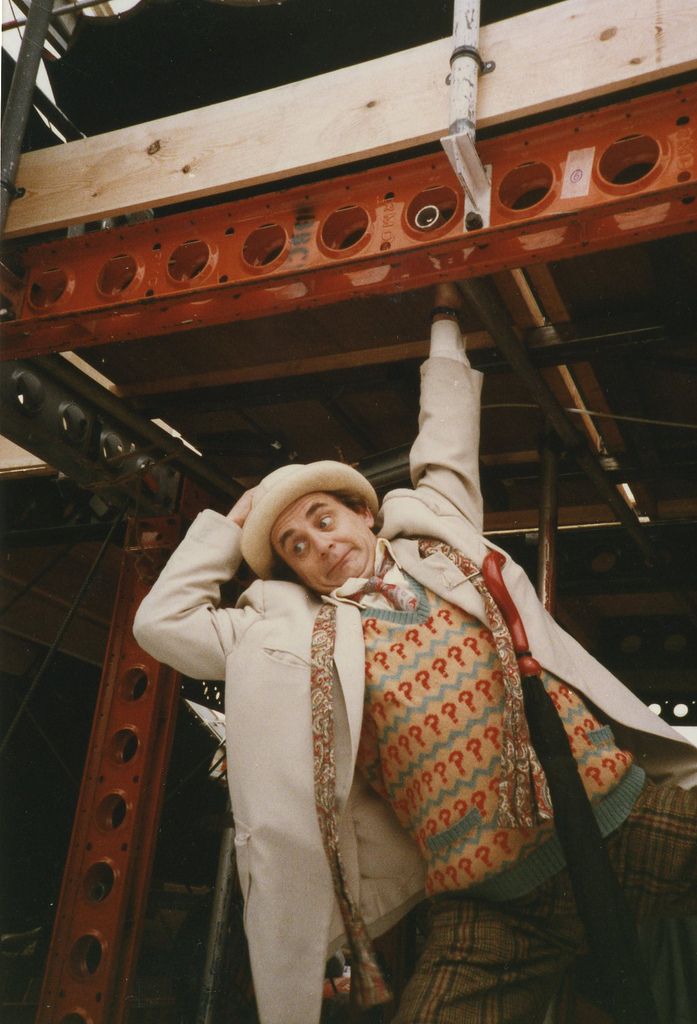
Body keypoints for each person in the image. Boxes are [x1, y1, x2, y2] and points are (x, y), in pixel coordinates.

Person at [133, 285, 697, 1024]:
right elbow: (161, 623)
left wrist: (444, 322)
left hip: (619, 822)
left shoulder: (438, 541)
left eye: (323, 519)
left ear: (363, 513)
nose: (318, 544)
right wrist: (232, 523)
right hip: (495, 904)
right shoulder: (287, 640)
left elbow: (446, 440)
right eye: (295, 546)